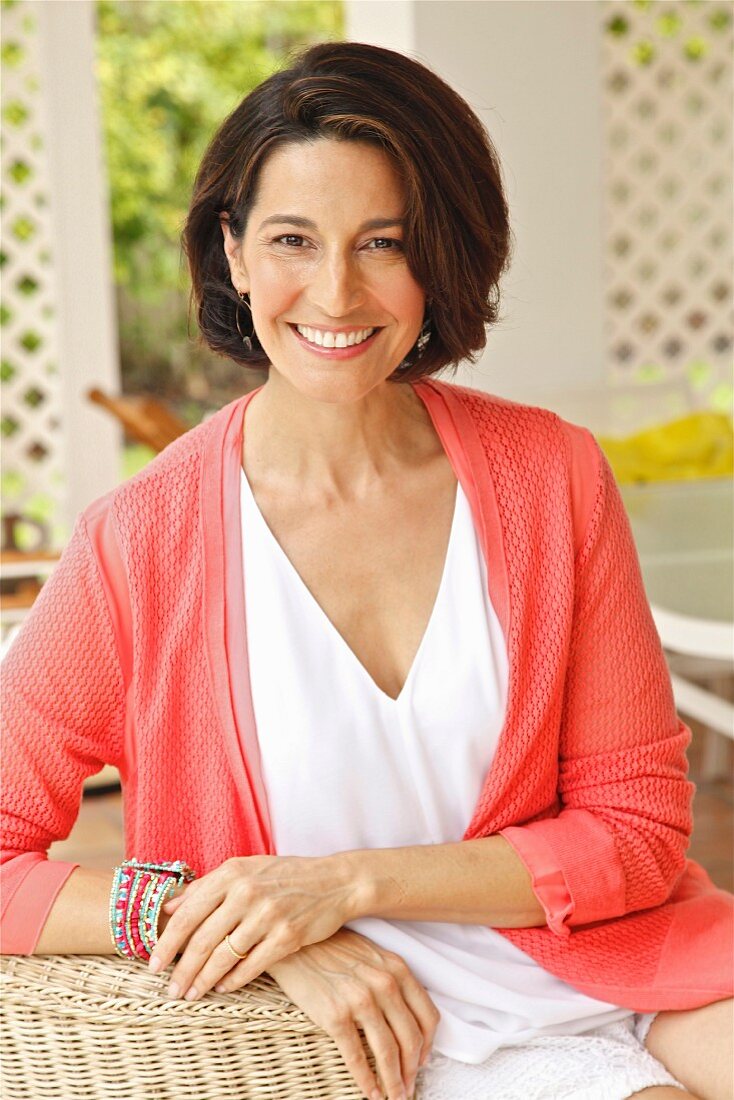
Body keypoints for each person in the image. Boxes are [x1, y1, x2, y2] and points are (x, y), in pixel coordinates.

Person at [1, 39, 732, 1100]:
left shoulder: (550, 475)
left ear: (438, 256)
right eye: (293, 238)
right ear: (235, 252)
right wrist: (228, 914)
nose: (336, 293)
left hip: (610, 955)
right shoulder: (138, 541)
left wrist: (340, 882)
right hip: (383, 1026)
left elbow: (633, 828)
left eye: (381, 243)